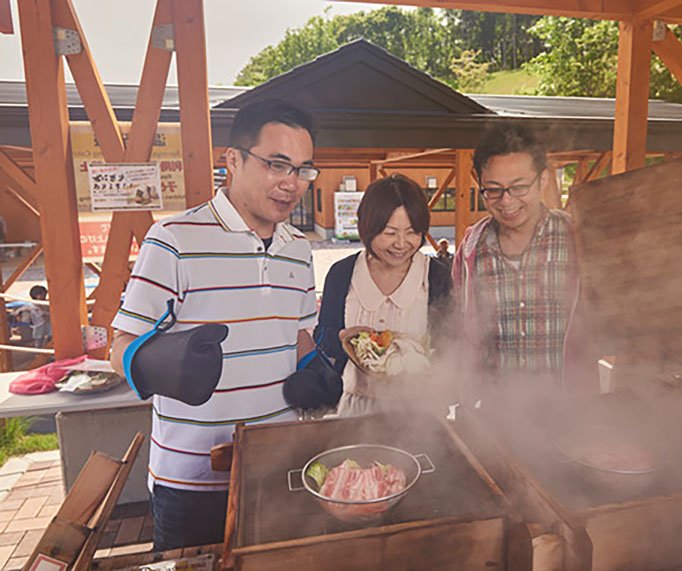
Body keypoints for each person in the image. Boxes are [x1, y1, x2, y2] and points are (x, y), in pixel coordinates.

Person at [109, 100, 319, 551]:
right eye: (277, 164)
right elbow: (120, 342)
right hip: (191, 481)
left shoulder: (299, 248)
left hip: (276, 466)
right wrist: (156, 364)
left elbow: (300, 332)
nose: (291, 182)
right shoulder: (174, 240)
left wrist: (314, 365)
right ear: (233, 159)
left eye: (303, 170)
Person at [452, 123, 594, 391]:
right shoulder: (471, 249)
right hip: (495, 411)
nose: (506, 201)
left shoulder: (576, 238)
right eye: (493, 189)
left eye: (518, 187)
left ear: (542, 180)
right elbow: (460, 330)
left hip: (571, 408)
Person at [307, 174, 452, 417]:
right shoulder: (343, 274)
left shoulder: (435, 276)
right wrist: (342, 338)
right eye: (390, 232)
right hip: (356, 408)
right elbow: (323, 336)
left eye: (412, 232)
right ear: (366, 226)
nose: (401, 243)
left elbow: (449, 344)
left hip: (420, 413)